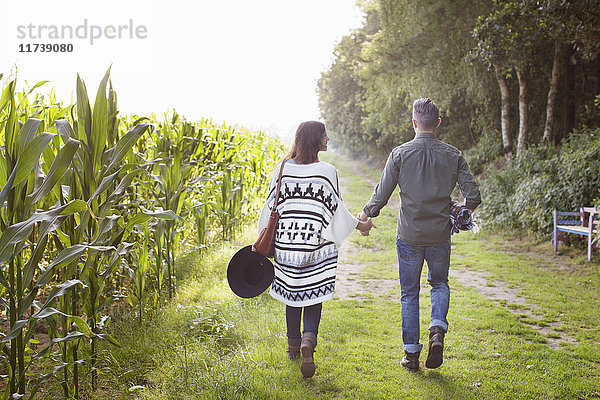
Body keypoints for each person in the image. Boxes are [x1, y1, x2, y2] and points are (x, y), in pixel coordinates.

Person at [358, 98, 481, 372]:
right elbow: (473, 195)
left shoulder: (400, 154)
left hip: (409, 236)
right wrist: (460, 213)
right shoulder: (453, 155)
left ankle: (412, 356)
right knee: (439, 284)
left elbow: (382, 193)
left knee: (409, 294)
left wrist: (365, 215)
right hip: (439, 235)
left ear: (414, 123)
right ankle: (437, 328)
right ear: (437, 123)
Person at [257, 121, 375, 378]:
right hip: (316, 244)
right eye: (324, 135)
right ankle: (308, 340)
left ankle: (292, 346)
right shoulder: (327, 172)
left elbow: (268, 209)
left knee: (292, 292)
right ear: (315, 139)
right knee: (314, 291)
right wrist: (360, 225)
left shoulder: (282, 169)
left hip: (288, 245)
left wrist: (263, 238)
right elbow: (336, 212)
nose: (328, 139)